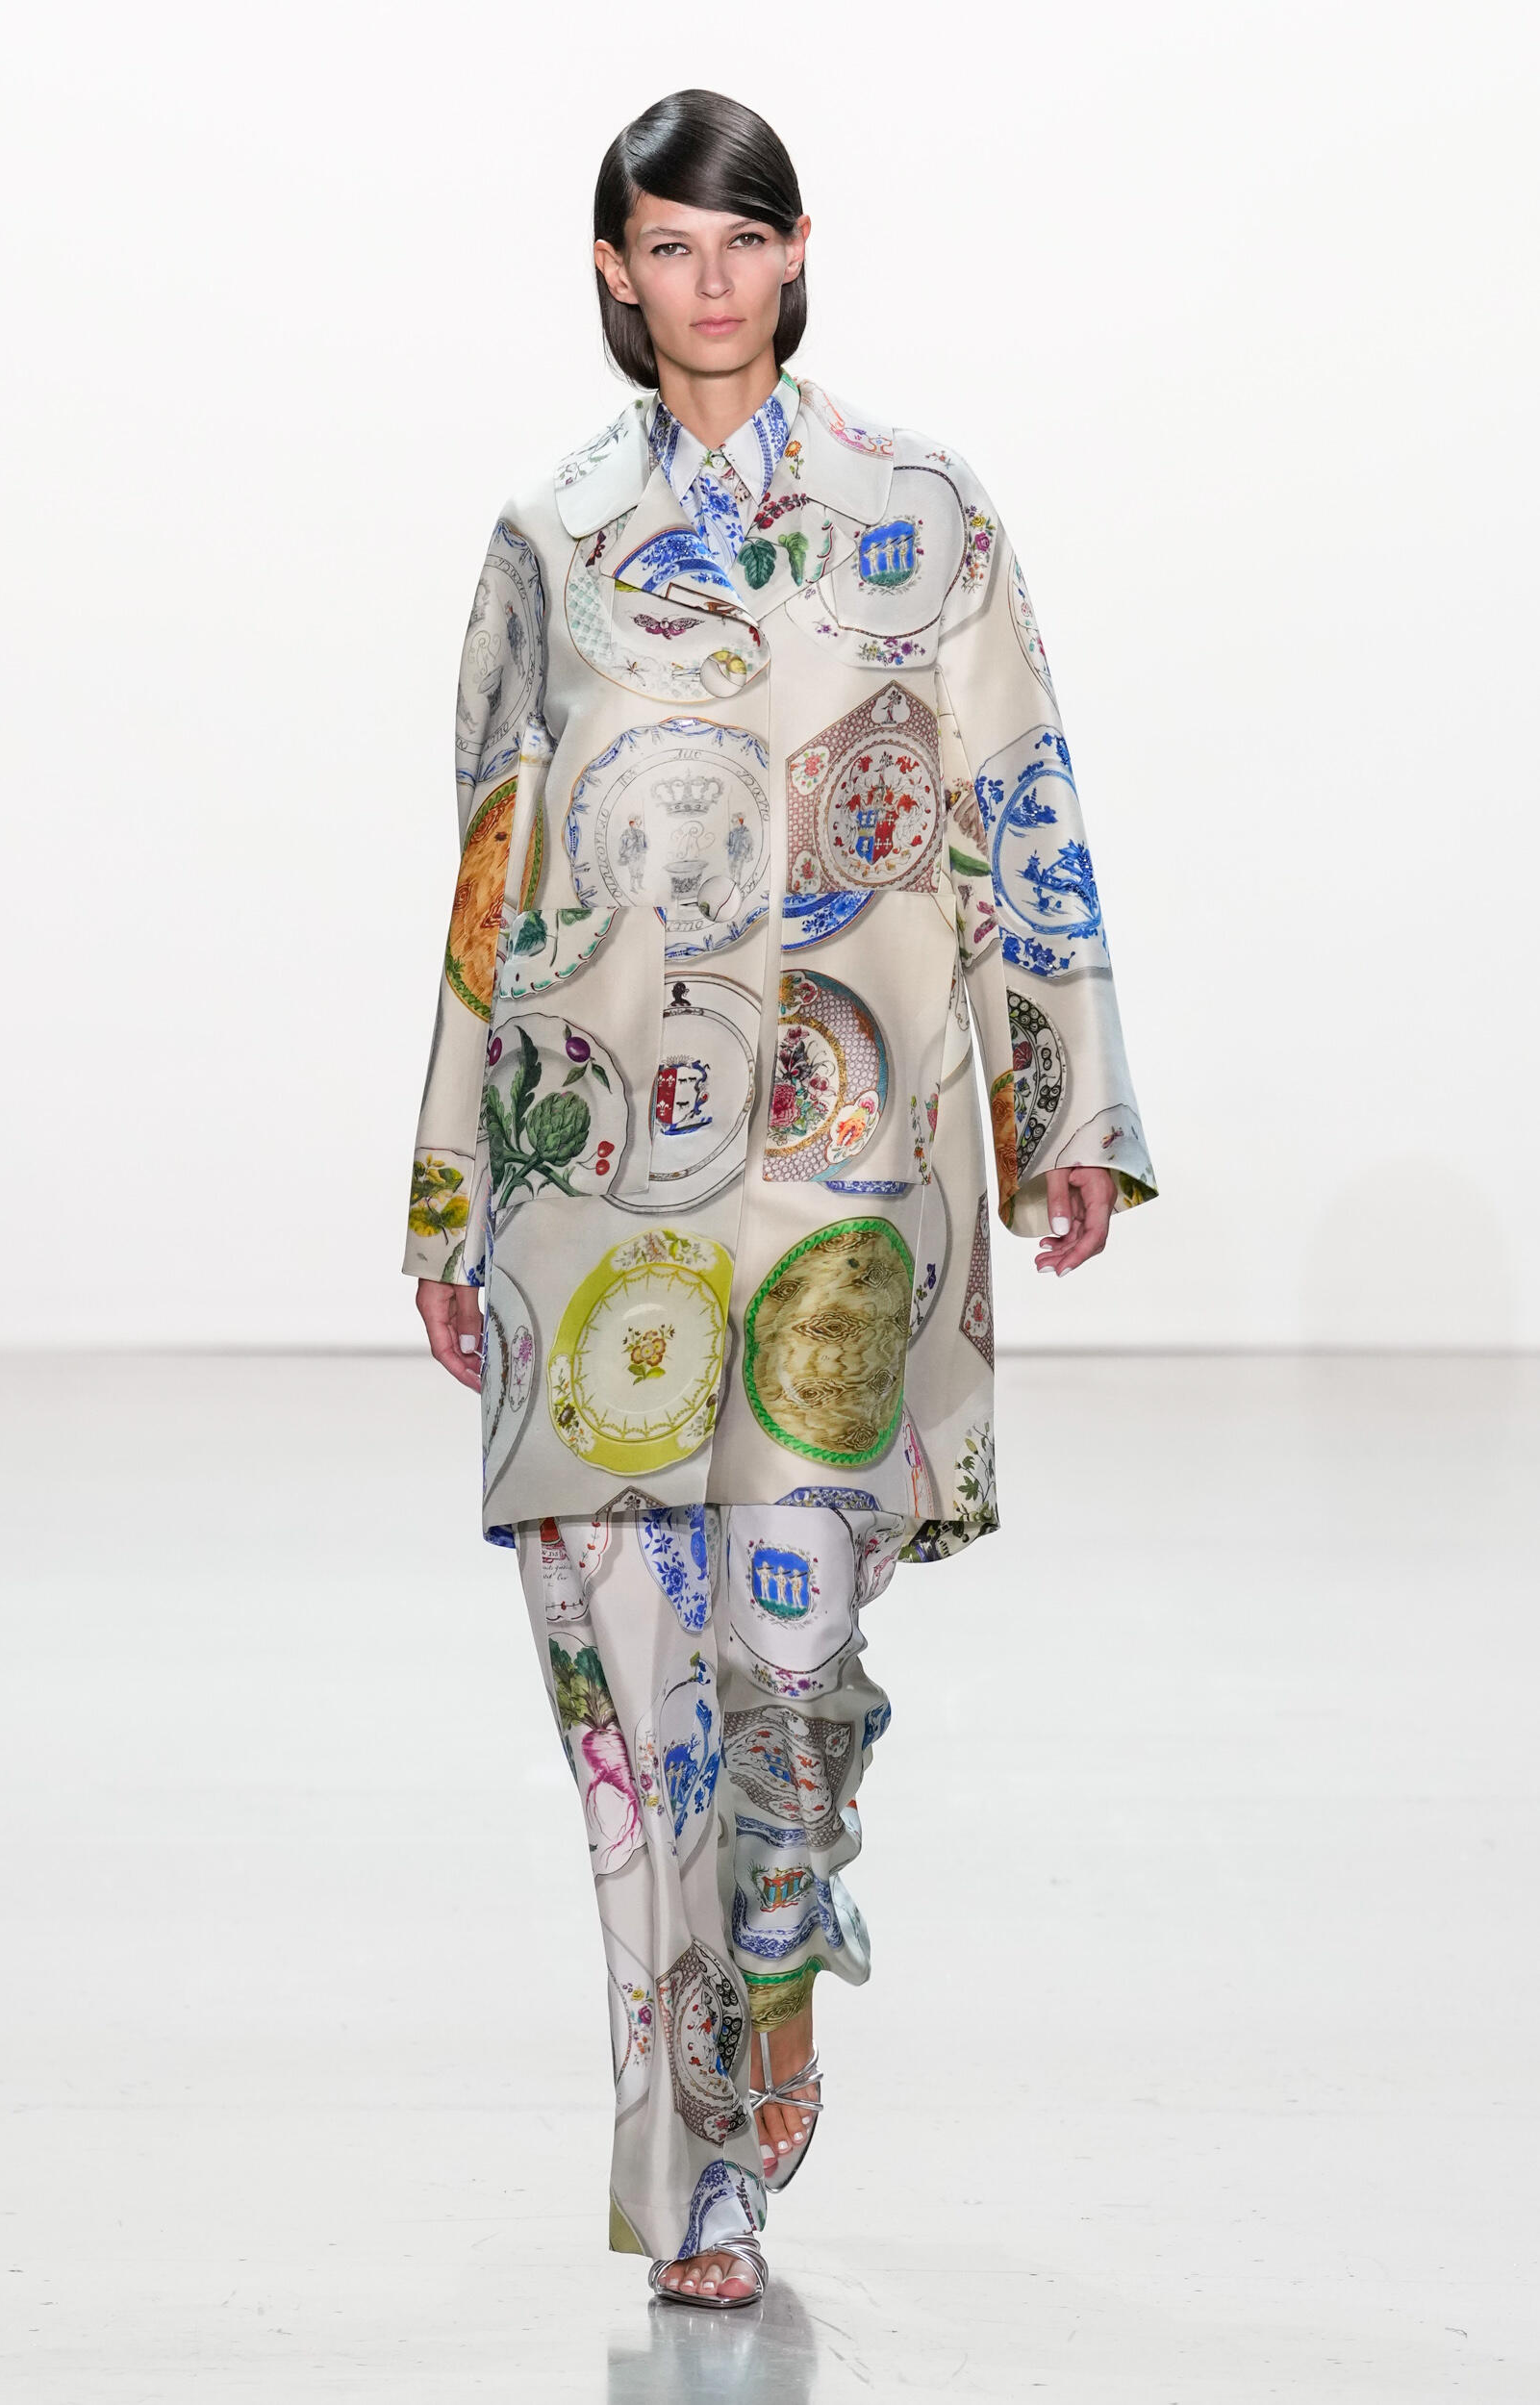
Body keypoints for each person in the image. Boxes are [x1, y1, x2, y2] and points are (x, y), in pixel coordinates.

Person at [405, 88, 1157, 2310]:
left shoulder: (924, 517)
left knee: (788, 1680)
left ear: (797, 248)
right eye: (668, 244)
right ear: (617, 271)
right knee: (633, 1719)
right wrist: (448, 1195)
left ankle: (780, 1959)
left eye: (741, 241)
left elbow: (1021, 797)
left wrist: (1064, 1101)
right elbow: (483, 885)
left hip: (846, 1187)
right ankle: (696, 2176)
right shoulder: (549, 536)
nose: (709, 280)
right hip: (591, 1203)